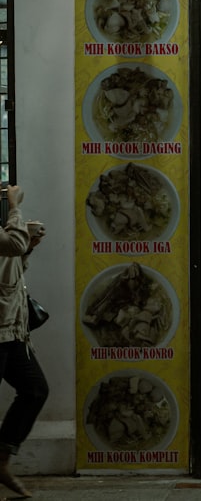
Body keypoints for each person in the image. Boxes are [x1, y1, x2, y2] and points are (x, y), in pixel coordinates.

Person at [0, 184, 48, 499]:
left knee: (34, 389)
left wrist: (28, 247)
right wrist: (15, 207)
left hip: (12, 332)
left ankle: (0, 460)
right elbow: (13, 245)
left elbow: (12, 262)